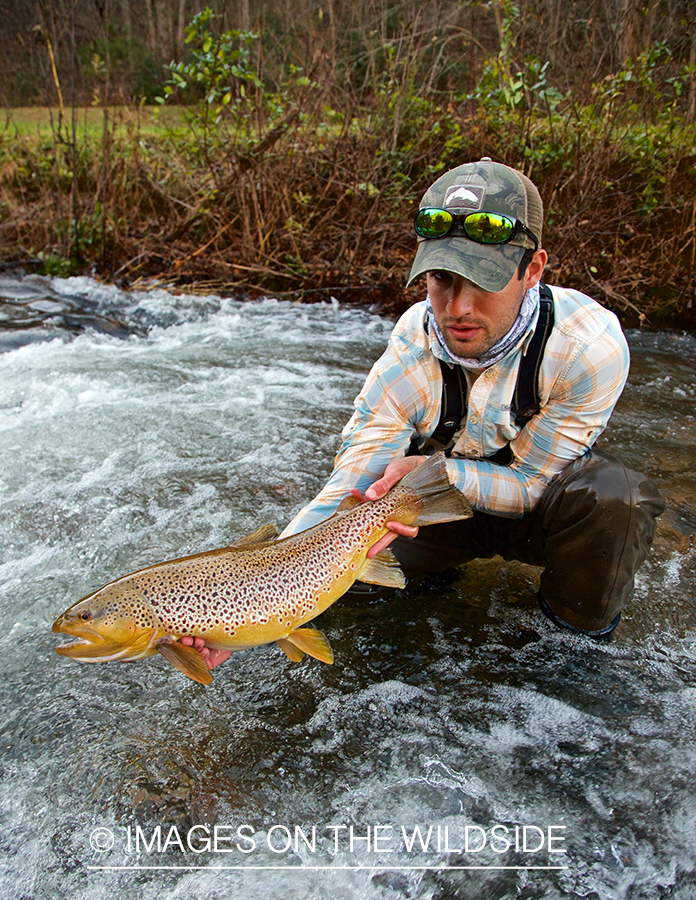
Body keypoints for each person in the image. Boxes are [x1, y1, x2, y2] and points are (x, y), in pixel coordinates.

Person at [184, 156, 664, 670]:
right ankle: (437, 580)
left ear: (533, 269)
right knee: (336, 590)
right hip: (429, 511)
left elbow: (529, 483)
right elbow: (355, 474)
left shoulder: (588, 346)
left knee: (618, 499)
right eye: (441, 279)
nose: (457, 307)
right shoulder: (411, 345)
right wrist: (263, 595)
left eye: (483, 281)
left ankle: (573, 652)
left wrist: (433, 472)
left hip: (535, 507)